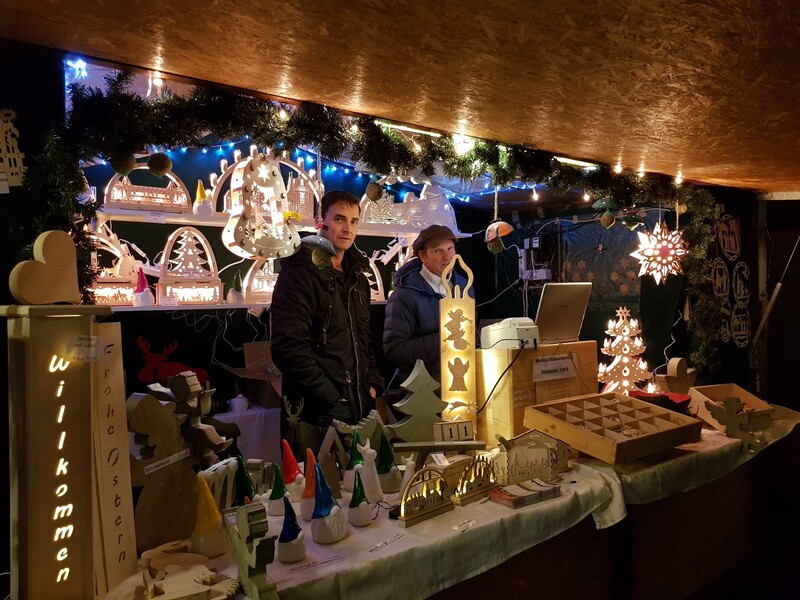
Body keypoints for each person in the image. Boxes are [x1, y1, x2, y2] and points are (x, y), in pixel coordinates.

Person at [271, 190, 384, 454]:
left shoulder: (358, 277)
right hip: (315, 413)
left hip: (358, 406)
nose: (347, 229)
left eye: (354, 221)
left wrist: (374, 383)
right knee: (314, 490)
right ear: (320, 221)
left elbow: (363, 339)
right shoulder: (299, 273)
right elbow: (288, 348)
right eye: (339, 219)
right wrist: (331, 398)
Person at [383, 224, 469, 387]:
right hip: (423, 393)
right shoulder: (403, 296)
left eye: (450, 248)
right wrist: (444, 340)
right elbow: (394, 352)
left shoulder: (465, 287)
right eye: (438, 251)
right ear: (423, 256)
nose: (447, 257)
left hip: (462, 387)